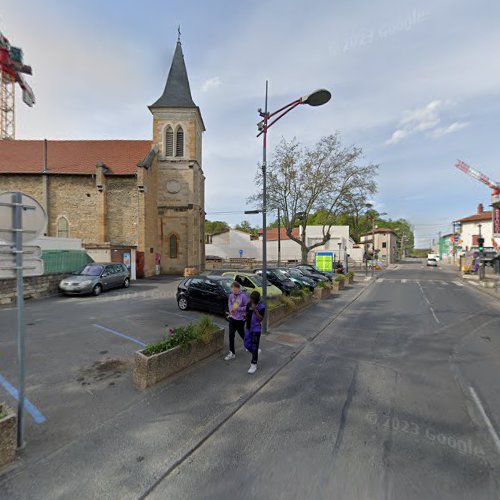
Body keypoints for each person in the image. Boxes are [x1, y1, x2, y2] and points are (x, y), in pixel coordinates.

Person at [224, 281, 248, 361]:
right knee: (231, 335)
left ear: (238, 288)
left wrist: (238, 308)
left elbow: (246, 307)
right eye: (233, 290)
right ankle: (232, 353)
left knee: (242, 335)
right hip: (232, 318)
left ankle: (250, 346)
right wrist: (231, 309)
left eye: (235, 290)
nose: (234, 291)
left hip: (240, 319)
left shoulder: (243, 296)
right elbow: (230, 304)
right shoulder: (231, 296)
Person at [244, 290, 265, 374]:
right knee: (246, 344)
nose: (251, 300)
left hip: (256, 329)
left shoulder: (261, 307)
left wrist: (255, 310)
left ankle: (254, 364)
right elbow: (247, 313)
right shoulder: (249, 304)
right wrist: (245, 316)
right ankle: (255, 352)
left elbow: (260, 319)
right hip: (248, 328)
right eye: (251, 299)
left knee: (255, 346)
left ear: (256, 300)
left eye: (252, 299)